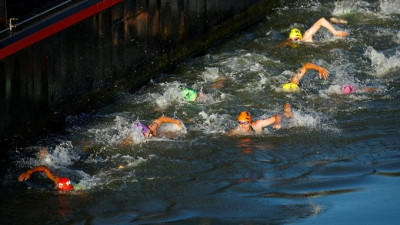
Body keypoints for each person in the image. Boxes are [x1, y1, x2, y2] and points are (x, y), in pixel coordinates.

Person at [228, 103, 293, 136]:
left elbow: (278, 116)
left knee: (287, 115)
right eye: (241, 123)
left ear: (250, 122)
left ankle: (287, 104)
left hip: (269, 123)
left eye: (246, 123)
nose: (243, 126)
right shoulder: (237, 130)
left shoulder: (257, 125)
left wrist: (278, 122)